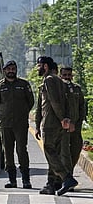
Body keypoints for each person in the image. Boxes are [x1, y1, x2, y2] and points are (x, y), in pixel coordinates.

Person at [35, 56, 77, 196]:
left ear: (45, 66)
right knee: (55, 154)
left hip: (51, 123)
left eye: (39, 65)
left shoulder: (49, 80)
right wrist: (66, 119)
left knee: (49, 151)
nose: (37, 68)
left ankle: (66, 178)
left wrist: (62, 119)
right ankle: (50, 184)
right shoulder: (59, 80)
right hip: (58, 123)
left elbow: (54, 101)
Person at [0, 60, 35, 189]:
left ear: (16, 70)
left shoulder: (23, 84)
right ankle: (12, 180)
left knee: (22, 150)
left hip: (20, 124)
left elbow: (30, 102)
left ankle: (26, 180)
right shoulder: (0, 86)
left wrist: (21, 113)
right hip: (6, 124)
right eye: (9, 69)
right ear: (5, 70)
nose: (11, 71)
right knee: (8, 152)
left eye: (13, 68)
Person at [60, 66, 85, 179]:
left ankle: (70, 172)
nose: (67, 77)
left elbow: (81, 107)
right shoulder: (58, 89)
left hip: (75, 127)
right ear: (60, 76)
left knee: (75, 150)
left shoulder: (77, 89)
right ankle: (66, 177)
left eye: (69, 75)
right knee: (64, 154)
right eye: (64, 75)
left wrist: (77, 124)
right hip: (62, 128)